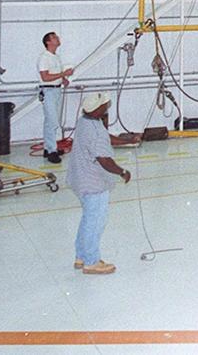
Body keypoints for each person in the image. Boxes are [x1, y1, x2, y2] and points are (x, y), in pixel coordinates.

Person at [67, 91, 133, 275]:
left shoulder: (86, 121)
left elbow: (106, 137)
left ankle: (81, 256)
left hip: (79, 178)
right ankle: (91, 262)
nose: (107, 106)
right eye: (104, 105)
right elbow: (104, 160)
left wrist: (127, 141)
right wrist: (122, 171)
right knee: (95, 221)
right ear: (97, 110)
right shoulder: (94, 130)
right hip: (92, 182)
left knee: (88, 219)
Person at [37, 31, 74, 164]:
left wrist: (63, 79)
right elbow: (45, 77)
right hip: (48, 92)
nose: (57, 38)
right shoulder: (44, 57)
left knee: (51, 122)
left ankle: (49, 148)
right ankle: (51, 151)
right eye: (54, 37)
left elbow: (54, 73)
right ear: (48, 42)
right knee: (52, 122)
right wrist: (63, 73)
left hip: (56, 91)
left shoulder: (55, 57)